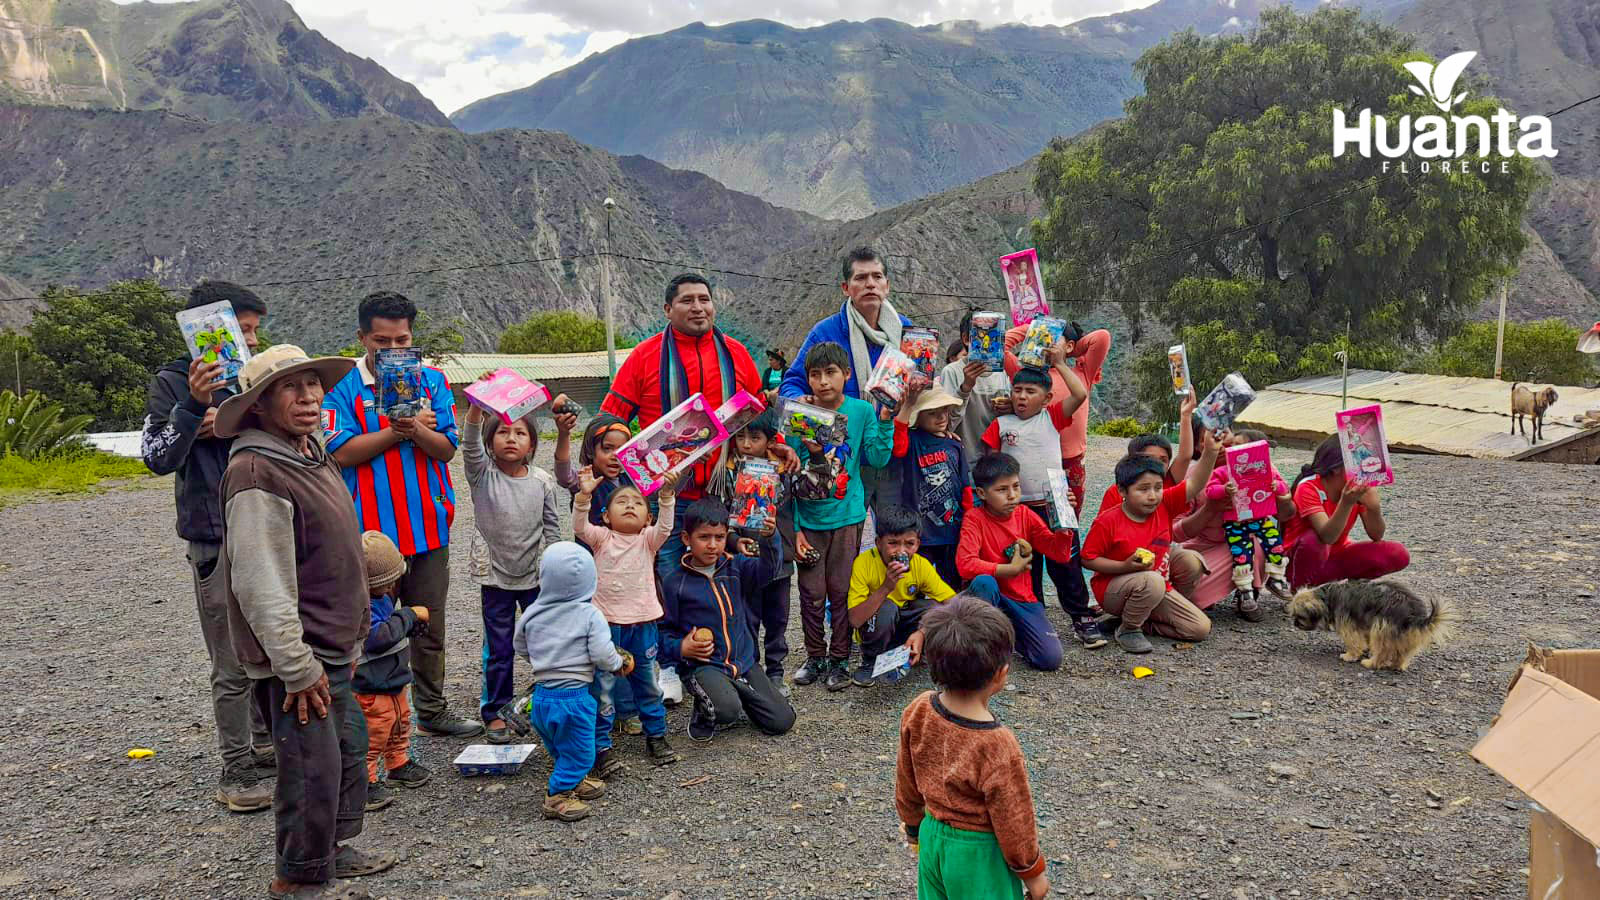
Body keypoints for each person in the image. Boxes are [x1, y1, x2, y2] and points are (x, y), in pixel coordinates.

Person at [213, 345, 397, 898]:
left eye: (313, 384)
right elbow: (259, 579)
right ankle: (298, 877)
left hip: (333, 644)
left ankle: (332, 850)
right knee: (310, 770)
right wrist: (295, 664)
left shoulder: (308, 452)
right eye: (290, 389)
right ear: (260, 406)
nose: (309, 396)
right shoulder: (255, 471)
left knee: (344, 750)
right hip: (302, 655)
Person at [140, 280, 273, 813]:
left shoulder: (256, 379)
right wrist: (195, 412)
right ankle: (236, 764)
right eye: (243, 330)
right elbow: (157, 455)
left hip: (264, 523)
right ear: (204, 331)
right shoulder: (174, 382)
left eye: (254, 330)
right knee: (229, 656)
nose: (252, 341)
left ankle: (266, 742)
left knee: (273, 639)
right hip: (213, 533)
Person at [321, 291, 479, 738]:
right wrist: (396, 431)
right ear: (362, 337)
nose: (391, 351)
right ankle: (364, 720)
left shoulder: (433, 381)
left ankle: (431, 709)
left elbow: (447, 448)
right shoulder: (340, 387)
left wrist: (418, 430)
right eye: (381, 341)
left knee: (429, 622)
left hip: (427, 523)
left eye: (401, 340)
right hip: (368, 536)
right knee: (364, 628)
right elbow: (342, 451)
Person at [600, 273, 795, 582]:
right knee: (668, 578)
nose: (698, 307)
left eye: (704, 299)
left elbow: (756, 412)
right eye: (687, 300)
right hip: (668, 498)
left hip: (726, 493)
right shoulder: (644, 357)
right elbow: (610, 420)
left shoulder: (736, 354)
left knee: (728, 580)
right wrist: (632, 463)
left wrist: (779, 443)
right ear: (667, 309)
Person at [894, 597, 1049, 900]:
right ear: (1001, 674)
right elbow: (1014, 819)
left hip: (932, 837)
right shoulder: (997, 744)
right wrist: (1033, 873)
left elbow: (906, 780)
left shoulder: (919, 709)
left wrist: (913, 829)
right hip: (978, 855)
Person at [461, 378, 563, 741]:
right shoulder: (481, 475)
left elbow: (553, 528)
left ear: (532, 443)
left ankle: (548, 704)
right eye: (502, 432)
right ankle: (496, 712)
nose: (511, 438)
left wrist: (554, 566)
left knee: (544, 645)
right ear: (490, 443)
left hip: (535, 576)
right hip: (495, 578)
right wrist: (476, 405)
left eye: (520, 432)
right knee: (499, 649)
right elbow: (468, 444)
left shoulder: (542, 480)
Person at [790, 341, 895, 692]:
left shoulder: (862, 411)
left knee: (841, 590)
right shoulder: (798, 413)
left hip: (847, 517)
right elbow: (788, 473)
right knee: (810, 593)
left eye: (831, 373)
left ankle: (838, 658)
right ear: (807, 379)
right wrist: (796, 529)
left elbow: (877, 459)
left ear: (846, 375)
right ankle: (814, 656)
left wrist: (885, 421)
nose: (823, 381)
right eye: (815, 375)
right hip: (808, 520)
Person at [980, 345, 1100, 648]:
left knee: (1067, 563)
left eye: (1030, 391)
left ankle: (1081, 617)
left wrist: (1059, 363)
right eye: (1017, 390)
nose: (1021, 397)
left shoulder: (1052, 417)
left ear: (1046, 398)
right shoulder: (1000, 424)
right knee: (1026, 565)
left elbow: (1080, 394)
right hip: (1016, 507)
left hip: (1057, 500)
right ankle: (1035, 617)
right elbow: (991, 466)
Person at [572, 467, 683, 776]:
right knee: (603, 687)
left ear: (647, 518)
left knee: (647, 683)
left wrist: (666, 494)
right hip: (605, 626)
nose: (631, 505)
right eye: (622, 502)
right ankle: (601, 747)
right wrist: (584, 495)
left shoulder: (649, 539)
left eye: (637, 502)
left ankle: (656, 735)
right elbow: (579, 526)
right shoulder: (600, 538)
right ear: (606, 516)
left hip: (643, 624)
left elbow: (666, 526)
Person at [659, 499, 797, 742]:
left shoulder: (737, 567)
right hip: (704, 665)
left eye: (720, 537)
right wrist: (681, 647)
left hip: (743, 662)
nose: (713, 545)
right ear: (685, 539)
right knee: (726, 711)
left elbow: (769, 571)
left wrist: (770, 538)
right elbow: (661, 633)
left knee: (782, 720)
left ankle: (733, 691)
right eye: (704, 537)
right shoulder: (674, 583)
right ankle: (708, 708)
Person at [512, 542, 631, 822]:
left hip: (541, 698)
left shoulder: (533, 611)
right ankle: (557, 796)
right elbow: (603, 654)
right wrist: (618, 664)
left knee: (561, 746)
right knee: (581, 751)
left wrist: (543, 662)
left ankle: (573, 781)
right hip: (573, 699)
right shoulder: (590, 615)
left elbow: (520, 645)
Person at [1080, 434, 1221, 654]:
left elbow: (1195, 483)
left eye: (1157, 487)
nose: (1152, 496)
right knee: (1153, 580)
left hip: (1156, 583)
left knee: (1199, 629)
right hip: (1114, 589)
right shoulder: (1108, 520)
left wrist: (1210, 452)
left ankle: (1139, 620)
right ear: (1122, 491)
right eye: (1143, 489)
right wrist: (1125, 567)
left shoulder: (1165, 503)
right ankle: (1129, 628)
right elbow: (1087, 559)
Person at [954, 453, 1076, 671]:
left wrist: (1064, 524)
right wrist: (1008, 569)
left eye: (1016, 487)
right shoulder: (975, 518)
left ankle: (1008, 636)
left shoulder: (1025, 515)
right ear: (981, 493)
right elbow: (965, 564)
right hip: (990, 596)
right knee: (984, 582)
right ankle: (978, 647)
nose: (1012, 495)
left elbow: (1059, 554)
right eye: (1002, 490)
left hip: (1021, 598)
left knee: (1049, 659)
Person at [705, 410, 796, 695]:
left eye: (754, 438)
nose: (745, 444)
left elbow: (810, 494)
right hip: (743, 561)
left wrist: (807, 456)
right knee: (747, 617)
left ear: (770, 441)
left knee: (778, 617)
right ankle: (752, 669)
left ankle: (777, 670)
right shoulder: (727, 472)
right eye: (740, 437)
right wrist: (732, 541)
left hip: (778, 560)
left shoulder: (782, 470)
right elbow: (718, 513)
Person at [354, 531, 432, 813]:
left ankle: (397, 761)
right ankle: (363, 780)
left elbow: (394, 629)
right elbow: (378, 637)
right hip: (371, 685)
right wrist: (408, 616)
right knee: (374, 731)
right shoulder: (361, 607)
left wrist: (410, 627)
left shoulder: (383, 599)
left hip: (394, 679)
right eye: (387, 582)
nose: (392, 587)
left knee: (401, 721)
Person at [1002, 320, 1111, 517]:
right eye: (1043, 336)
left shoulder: (1082, 371)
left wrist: (1064, 355)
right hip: (1035, 458)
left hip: (1071, 461)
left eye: (1052, 337)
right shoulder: (1026, 376)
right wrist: (1034, 327)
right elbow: (1000, 344)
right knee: (1033, 516)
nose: (1045, 340)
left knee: (1067, 517)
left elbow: (1102, 337)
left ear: (1069, 346)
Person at [779, 247, 913, 401]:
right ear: (845, 288)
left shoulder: (904, 328)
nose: (870, 284)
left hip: (894, 424)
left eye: (877, 276)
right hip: (846, 423)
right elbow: (792, 383)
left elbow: (918, 378)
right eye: (861, 278)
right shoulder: (824, 333)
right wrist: (800, 400)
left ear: (887, 285)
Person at [846, 505, 955, 687]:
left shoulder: (921, 565)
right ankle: (871, 659)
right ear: (878, 543)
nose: (901, 551)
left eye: (909, 544)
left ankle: (910, 649)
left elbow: (953, 603)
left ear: (917, 544)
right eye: (893, 543)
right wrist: (886, 587)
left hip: (904, 625)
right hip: (876, 626)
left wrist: (922, 632)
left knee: (934, 608)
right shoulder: (864, 563)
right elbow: (855, 619)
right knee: (887, 606)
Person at [1282, 435, 1409, 589]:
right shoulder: (1309, 487)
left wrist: (1374, 508)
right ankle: (1301, 594)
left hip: (1334, 558)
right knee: (1313, 539)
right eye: (1357, 462)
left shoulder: (1358, 488)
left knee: (1397, 553)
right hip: (1299, 564)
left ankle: (1346, 588)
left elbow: (1376, 535)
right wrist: (1346, 503)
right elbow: (1327, 537)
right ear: (1336, 468)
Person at [1200, 428, 1293, 618]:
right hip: (1235, 523)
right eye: (1232, 445)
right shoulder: (1223, 471)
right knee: (1241, 555)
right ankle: (1245, 592)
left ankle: (1276, 578)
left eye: (1239, 446)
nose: (1232, 449)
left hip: (1262, 518)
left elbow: (1284, 489)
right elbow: (1210, 490)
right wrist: (1224, 490)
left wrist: (1277, 487)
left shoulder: (1266, 471)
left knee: (1275, 544)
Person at [891, 384, 969, 588]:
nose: (941, 417)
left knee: (951, 583)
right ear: (918, 417)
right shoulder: (913, 440)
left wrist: (968, 523)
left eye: (944, 410)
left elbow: (965, 487)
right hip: (920, 532)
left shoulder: (955, 445)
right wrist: (908, 405)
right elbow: (898, 446)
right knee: (914, 583)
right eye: (932, 413)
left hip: (952, 529)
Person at [938, 310, 1013, 465]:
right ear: (966, 339)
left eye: (995, 335)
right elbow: (946, 424)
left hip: (996, 462)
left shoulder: (1003, 372)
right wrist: (965, 388)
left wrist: (1010, 408)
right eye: (982, 334)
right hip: (964, 461)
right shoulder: (952, 371)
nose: (989, 341)